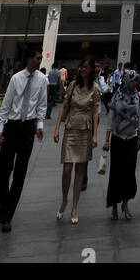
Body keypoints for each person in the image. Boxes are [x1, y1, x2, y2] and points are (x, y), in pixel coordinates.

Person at [0, 44, 48, 233]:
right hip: (12, 126)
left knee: (20, 172)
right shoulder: (16, 79)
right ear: (29, 59)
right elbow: (6, 104)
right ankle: (3, 202)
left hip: (28, 127)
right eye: (38, 58)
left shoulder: (42, 80)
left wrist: (39, 126)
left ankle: (8, 215)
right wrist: (0, 128)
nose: (40, 61)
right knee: (3, 170)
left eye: (41, 58)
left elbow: (42, 105)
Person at [53, 57, 99, 223]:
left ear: (91, 70)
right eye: (82, 67)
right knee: (67, 169)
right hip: (71, 127)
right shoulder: (73, 85)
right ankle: (65, 199)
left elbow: (95, 112)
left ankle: (74, 206)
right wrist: (57, 127)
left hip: (85, 129)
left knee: (80, 170)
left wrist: (95, 134)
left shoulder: (95, 88)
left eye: (86, 67)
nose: (83, 70)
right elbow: (64, 106)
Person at [103, 67, 140, 220]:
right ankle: (114, 205)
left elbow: (138, 118)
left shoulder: (136, 96)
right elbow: (110, 120)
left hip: (131, 138)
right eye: (133, 80)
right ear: (127, 80)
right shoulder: (117, 97)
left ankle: (125, 204)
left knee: (129, 172)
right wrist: (106, 140)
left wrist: (139, 136)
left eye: (137, 80)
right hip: (118, 138)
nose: (135, 83)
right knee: (116, 172)